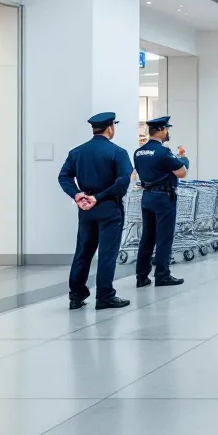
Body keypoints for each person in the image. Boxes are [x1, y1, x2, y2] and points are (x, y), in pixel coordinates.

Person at [58, 112, 133, 310]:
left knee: (83, 252)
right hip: (109, 207)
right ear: (110, 128)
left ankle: (76, 295)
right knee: (107, 253)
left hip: (86, 210)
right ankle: (105, 296)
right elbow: (123, 181)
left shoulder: (77, 152)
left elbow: (63, 177)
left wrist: (77, 195)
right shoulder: (118, 152)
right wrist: (99, 197)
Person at [132, 115, 188, 289]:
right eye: (167, 129)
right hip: (164, 198)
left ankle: (141, 275)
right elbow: (182, 172)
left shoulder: (139, 152)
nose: (168, 132)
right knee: (164, 237)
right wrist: (183, 159)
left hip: (147, 196)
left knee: (147, 237)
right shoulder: (163, 152)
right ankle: (162, 274)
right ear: (161, 130)